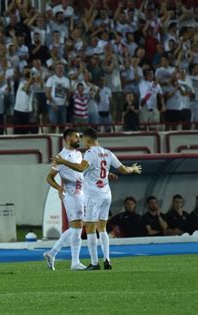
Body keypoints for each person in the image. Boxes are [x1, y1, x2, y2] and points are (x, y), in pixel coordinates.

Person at [53, 128, 141, 270]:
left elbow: (81, 169)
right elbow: (123, 169)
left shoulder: (90, 153)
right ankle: (107, 260)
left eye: (83, 139)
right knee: (103, 228)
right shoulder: (108, 152)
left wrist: (63, 161)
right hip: (106, 195)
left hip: (93, 196)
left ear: (88, 139)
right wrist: (133, 169)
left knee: (90, 228)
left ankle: (94, 263)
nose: (81, 141)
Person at [44, 129, 87, 271]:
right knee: (78, 227)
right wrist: (58, 187)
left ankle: (52, 253)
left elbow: (80, 171)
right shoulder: (61, 157)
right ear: (67, 138)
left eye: (79, 137)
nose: (79, 139)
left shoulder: (78, 153)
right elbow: (49, 177)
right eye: (76, 137)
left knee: (76, 227)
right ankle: (75, 262)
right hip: (71, 194)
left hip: (81, 193)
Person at [46, 63, 70, 132]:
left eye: (61, 68)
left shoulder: (66, 80)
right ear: (55, 69)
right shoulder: (51, 79)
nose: (60, 69)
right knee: (52, 124)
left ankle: (61, 141)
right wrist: (53, 103)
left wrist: (67, 101)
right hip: (52, 105)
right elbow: (47, 93)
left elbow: (68, 92)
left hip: (63, 105)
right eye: (58, 68)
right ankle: (50, 140)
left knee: (62, 125)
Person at [13, 68, 35, 134]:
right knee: (17, 132)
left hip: (27, 111)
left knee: (25, 132)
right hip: (18, 110)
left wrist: (31, 78)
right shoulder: (22, 83)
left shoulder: (33, 86)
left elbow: (27, 88)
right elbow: (25, 88)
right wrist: (30, 77)